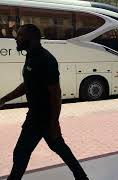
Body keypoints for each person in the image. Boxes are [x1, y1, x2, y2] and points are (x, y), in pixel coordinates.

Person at [0, 24, 89, 180]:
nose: (16, 38)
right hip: (36, 115)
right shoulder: (30, 56)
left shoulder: (46, 60)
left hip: (41, 117)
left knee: (21, 152)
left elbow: (56, 94)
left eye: (20, 35)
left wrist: (54, 122)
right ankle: (82, 177)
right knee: (58, 146)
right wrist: (4, 100)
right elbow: (27, 85)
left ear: (32, 38)